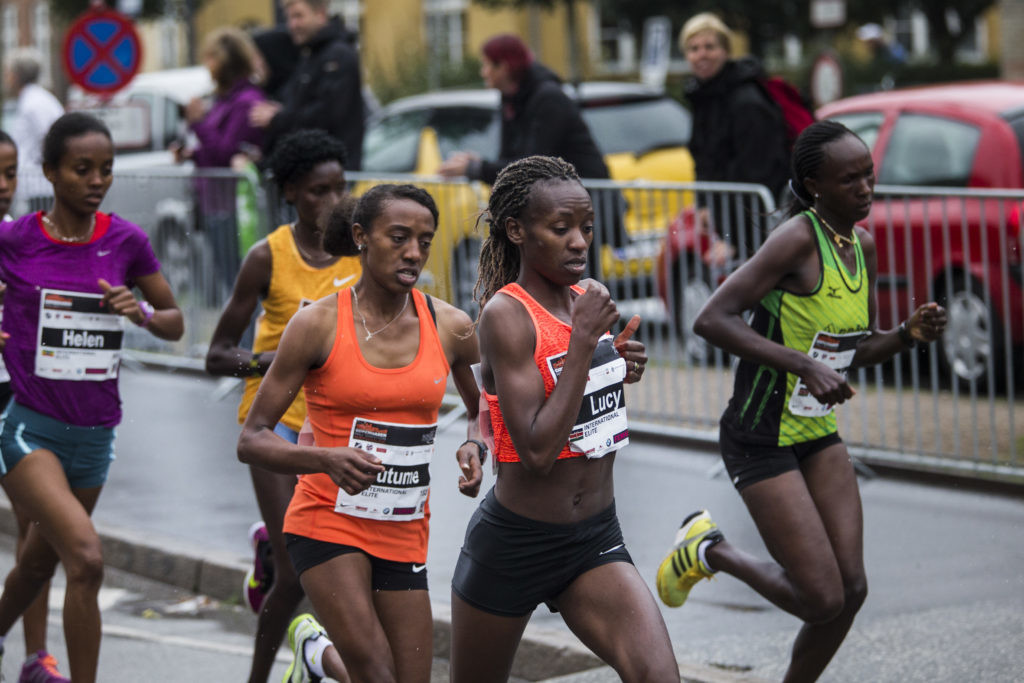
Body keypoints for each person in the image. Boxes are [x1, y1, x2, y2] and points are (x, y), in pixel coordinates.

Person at [655, 120, 948, 683]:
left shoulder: (861, 246)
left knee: (851, 590)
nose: (866, 188)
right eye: (850, 179)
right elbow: (711, 318)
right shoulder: (795, 239)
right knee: (820, 597)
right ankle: (709, 549)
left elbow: (855, 350)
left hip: (815, 433)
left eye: (869, 175)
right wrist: (802, 364)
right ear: (814, 185)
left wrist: (907, 334)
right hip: (759, 436)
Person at [237, 183, 484, 682]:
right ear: (361, 237)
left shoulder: (452, 326)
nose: (413, 253)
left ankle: (317, 657)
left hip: (404, 525)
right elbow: (253, 438)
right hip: (327, 519)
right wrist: (325, 459)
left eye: (424, 241)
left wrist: (474, 443)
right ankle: (323, 655)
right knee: (374, 671)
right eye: (399, 237)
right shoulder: (316, 324)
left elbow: (486, 409)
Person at [448, 155, 676, 683]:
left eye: (586, 228)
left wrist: (616, 366)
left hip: (593, 537)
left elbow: (579, 408)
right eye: (561, 228)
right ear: (517, 231)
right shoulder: (506, 315)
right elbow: (536, 451)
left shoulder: (586, 300)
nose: (579, 242)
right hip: (516, 545)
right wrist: (583, 346)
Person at [0, 112, 184, 683]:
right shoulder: (16, 238)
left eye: (106, 168)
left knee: (39, 562)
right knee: (86, 558)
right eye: (82, 169)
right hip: (30, 428)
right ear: (51, 172)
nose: (97, 180)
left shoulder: (126, 241)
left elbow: (175, 321)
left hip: (97, 435)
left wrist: (142, 312)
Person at [205, 128, 359, 683]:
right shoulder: (266, 256)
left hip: (338, 427)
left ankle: (272, 549)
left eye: (340, 187)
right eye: (319, 190)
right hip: (278, 424)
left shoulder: (362, 250)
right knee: (296, 574)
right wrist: (274, 361)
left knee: (345, 563)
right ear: (291, 191)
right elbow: (216, 355)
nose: (334, 201)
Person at [0, 130, 70, 683]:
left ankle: (34, 658)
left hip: (15, 394)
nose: (3, 186)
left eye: (8, 173)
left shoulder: (19, 239)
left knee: (36, 529)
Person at [679, 13, 789, 265]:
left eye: (710, 47)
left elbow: (757, 174)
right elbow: (703, 158)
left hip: (762, 229)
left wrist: (737, 240)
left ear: (726, 51)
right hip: (734, 225)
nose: (702, 55)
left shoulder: (746, 100)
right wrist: (704, 204)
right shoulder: (702, 98)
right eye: (694, 48)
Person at [250, 0, 366, 170]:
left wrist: (278, 119)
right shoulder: (310, 57)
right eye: (289, 18)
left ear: (320, 15)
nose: (292, 25)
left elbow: (327, 114)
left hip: (332, 171)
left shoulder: (337, 57)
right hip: (316, 170)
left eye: (298, 16)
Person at [3, 48, 64, 213]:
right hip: (36, 184)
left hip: (39, 185)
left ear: (16, 75)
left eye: (8, 72)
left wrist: (41, 163)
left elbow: (50, 137)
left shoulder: (34, 102)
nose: (6, 77)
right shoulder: (34, 99)